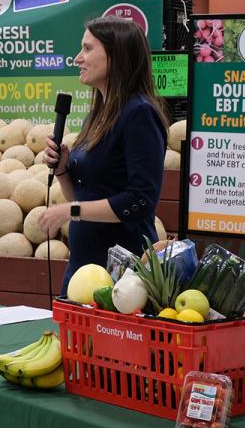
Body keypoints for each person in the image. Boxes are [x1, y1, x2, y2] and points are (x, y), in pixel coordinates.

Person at [40, 16, 168, 295]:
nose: (77, 58)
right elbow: (85, 199)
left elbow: (140, 200)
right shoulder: (98, 113)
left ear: (116, 54)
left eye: (87, 49)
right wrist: (62, 170)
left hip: (124, 272)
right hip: (84, 266)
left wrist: (70, 211)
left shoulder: (139, 114)